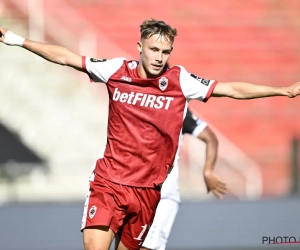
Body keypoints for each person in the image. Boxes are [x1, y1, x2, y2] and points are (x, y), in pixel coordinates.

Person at [0, 19, 299, 250]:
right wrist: (17, 40)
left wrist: (282, 90)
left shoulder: (180, 80)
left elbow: (231, 89)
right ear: (139, 46)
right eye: (153, 49)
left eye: (165, 51)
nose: (158, 57)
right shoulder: (117, 70)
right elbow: (67, 57)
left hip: (147, 192)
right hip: (109, 184)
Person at [141, 108, 225, 250]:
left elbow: (210, 138)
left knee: (146, 247)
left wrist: (208, 171)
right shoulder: (135, 100)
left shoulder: (178, 107)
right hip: (132, 188)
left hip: (163, 194)